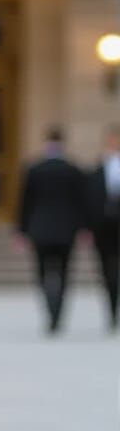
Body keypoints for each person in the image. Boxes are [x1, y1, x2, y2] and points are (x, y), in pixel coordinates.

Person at [14, 126, 85, 333]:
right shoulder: (73, 169)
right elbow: (81, 202)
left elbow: (25, 203)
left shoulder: (34, 169)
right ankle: (58, 313)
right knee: (64, 272)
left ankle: (49, 310)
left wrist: (21, 230)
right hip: (66, 230)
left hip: (40, 229)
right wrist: (83, 228)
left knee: (42, 272)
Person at [83, 123, 120, 328]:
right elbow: (89, 200)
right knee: (107, 270)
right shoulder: (97, 171)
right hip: (104, 228)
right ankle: (112, 309)